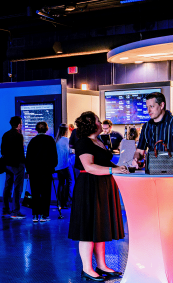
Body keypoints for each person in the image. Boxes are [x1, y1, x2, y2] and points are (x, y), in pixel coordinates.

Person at [69, 112, 129, 281]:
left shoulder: (98, 141)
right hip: (89, 187)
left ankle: (101, 265)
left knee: (99, 227)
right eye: (96, 120)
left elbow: (104, 163)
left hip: (101, 187)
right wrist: (113, 170)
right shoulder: (83, 142)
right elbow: (89, 167)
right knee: (88, 229)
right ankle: (87, 269)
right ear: (90, 124)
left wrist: (121, 167)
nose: (99, 122)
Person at [132, 92, 173, 169]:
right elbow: (139, 152)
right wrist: (136, 159)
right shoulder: (146, 126)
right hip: (151, 171)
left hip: (169, 171)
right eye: (147, 107)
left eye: (151, 106)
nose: (148, 110)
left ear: (161, 105)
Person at [25, 121, 58, 223]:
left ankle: (35, 215)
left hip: (34, 172)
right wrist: (52, 166)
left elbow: (28, 158)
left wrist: (29, 170)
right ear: (46, 129)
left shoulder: (32, 141)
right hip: (46, 171)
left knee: (35, 193)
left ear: (36, 129)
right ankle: (44, 215)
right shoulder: (50, 140)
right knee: (45, 193)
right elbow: (54, 156)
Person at [0, 116, 27, 219]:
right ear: (19, 124)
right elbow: (20, 152)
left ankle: (5, 209)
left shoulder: (5, 135)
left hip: (7, 164)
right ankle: (15, 210)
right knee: (17, 187)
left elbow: (2, 151)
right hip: (17, 164)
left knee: (7, 186)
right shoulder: (19, 136)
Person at [54, 124, 72, 209]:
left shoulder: (57, 140)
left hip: (58, 166)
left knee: (61, 183)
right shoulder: (66, 140)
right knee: (69, 182)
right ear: (66, 131)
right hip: (65, 165)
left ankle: (59, 203)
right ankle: (66, 202)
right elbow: (70, 151)